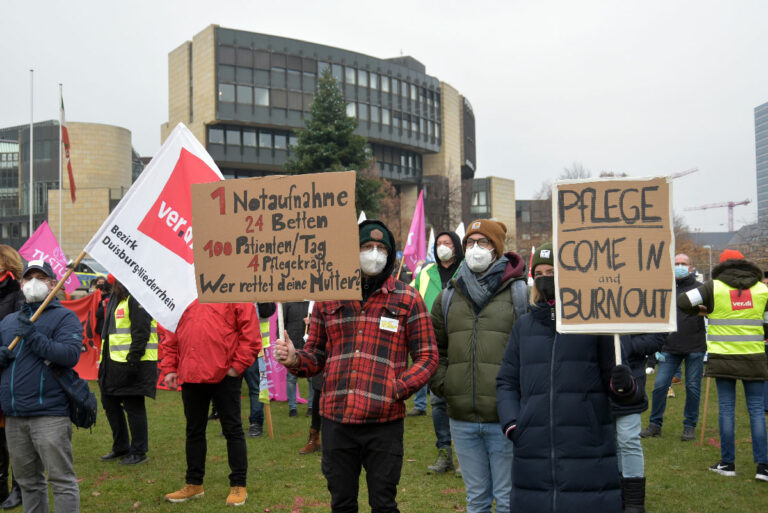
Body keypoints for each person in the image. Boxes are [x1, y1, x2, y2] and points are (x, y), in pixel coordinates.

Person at [274, 219, 438, 512]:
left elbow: (428, 356)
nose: (374, 254)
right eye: (366, 246)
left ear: (390, 255)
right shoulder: (329, 297)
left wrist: (398, 388)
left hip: (384, 423)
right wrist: (296, 358)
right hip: (337, 420)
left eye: (381, 248)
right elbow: (316, 355)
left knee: (384, 504)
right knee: (342, 503)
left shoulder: (408, 298)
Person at [496, 244, 635, 512]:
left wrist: (624, 385)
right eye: (540, 272)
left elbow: (623, 391)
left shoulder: (596, 323)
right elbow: (507, 381)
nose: (546, 277)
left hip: (588, 448)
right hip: (532, 451)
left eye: (553, 271)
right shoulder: (524, 326)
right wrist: (513, 424)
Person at [430, 220, 526, 513]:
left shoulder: (519, 294)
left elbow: (530, 352)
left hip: (505, 418)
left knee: (508, 499)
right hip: (461, 419)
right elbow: (435, 351)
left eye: (483, 242)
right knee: (477, 499)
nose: (475, 249)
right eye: (470, 242)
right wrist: (446, 385)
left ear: (496, 249)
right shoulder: (448, 296)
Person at [677, 249, 768, 480]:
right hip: (754, 357)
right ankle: (764, 468)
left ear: (722, 266)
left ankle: (728, 464)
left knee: (727, 409)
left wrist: (702, 311)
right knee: (757, 411)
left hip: (723, 358)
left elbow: (683, 300)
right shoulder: (762, 289)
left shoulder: (713, 287)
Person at [0, 259, 83, 513]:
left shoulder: (65, 317)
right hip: (14, 416)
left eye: (41, 277)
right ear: (22, 283)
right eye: (29, 277)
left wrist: (34, 337)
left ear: (52, 284)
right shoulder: (8, 321)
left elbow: (69, 355)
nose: (34, 282)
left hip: (49, 413)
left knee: (61, 480)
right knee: (28, 482)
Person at [161, 300, 260, 506]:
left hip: (225, 375)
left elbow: (250, 334)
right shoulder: (184, 292)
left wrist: (236, 367)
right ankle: (194, 483)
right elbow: (171, 332)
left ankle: (238, 484)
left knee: (232, 429)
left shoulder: (233, 288)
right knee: (194, 430)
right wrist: (170, 367)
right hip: (191, 373)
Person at [410, 231, 464, 475]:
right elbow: (412, 299)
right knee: (439, 402)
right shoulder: (425, 274)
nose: (443, 247)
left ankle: (465, 457)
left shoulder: (467, 269)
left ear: (456, 246)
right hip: (434, 345)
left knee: (463, 399)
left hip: (463, 342)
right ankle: (444, 453)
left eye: (447, 243)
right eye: (439, 243)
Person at [640, 253, 707, 441]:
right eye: (676, 263)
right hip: (669, 346)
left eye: (683, 263)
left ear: (691, 267)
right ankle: (655, 424)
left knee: (693, 387)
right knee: (660, 386)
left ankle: (689, 426)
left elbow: (712, 313)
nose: (680, 266)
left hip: (695, 345)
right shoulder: (665, 289)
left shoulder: (701, 289)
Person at [98, 277, 158, 465]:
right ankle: (121, 446)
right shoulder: (118, 299)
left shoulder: (137, 297)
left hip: (131, 364)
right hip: (112, 364)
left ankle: (139, 451)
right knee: (110, 404)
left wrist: (133, 360)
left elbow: (141, 332)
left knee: (134, 407)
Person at [613, 333, 665, 513]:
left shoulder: (644, 304)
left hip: (631, 378)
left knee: (628, 438)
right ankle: (616, 495)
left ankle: (634, 502)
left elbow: (658, 337)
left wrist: (623, 344)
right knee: (609, 440)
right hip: (596, 377)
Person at [0, 246, 25, 508]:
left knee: (13, 435)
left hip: (10, 372)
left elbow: (20, 334)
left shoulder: (18, 295)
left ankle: (18, 488)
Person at [243, 302, 275, 438]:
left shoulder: (262, 291)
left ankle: (256, 423)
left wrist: (259, 299)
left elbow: (268, 310)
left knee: (256, 387)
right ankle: (232, 422)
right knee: (231, 388)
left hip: (256, 348)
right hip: (235, 345)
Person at [283, 301, 311, 417]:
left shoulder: (312, 303)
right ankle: (292, 408)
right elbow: (281, 323)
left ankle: (311, 406)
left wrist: (311, 322)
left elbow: (322, 322)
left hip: (309, 344)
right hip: (292, 344)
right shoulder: (288, 302)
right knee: (291, 377)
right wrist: (283, 341)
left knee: (312, 378)